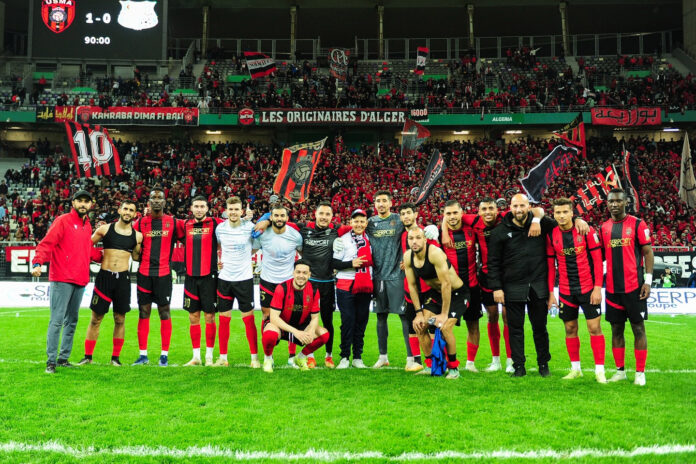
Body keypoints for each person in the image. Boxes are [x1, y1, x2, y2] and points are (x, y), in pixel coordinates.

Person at [488, 194, 562, 378]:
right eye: (515, 206)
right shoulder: (499, 232)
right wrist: (497, 287)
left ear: (529, 206)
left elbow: (562, 223)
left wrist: (579, 222)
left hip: (538, 286)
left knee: (540, 328)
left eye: (522, 205)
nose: (519, 209)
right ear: (510, 208)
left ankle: (543, 364)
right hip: (512, 288)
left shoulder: (541, 224)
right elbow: (493, 263)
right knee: (515, 329)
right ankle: (518, 366)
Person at [32, 190, 101, 373]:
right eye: (80, 201)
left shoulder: (87, 226)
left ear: (91, 205)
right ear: (73, 203)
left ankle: (63, 358)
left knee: (72, 321)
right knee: (56, 320)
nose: (83, 204)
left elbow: (87, 250)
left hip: (80, 279)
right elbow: (47, 243)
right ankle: (51, 362)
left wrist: (105, 256)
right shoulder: (63, 221)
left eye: (87, 201)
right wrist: (38, 262)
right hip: (62, 278)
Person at [546, 198, 606, 383]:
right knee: (570, 328)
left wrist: (597, 288)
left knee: (594, 328)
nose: (562, 215)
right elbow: (550, 266)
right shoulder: (551, 235)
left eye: (565, 212)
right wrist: (551, 293)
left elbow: (597, 261)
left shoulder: (585, 230)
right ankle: (576, 369)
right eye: (558, 212)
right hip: (565, 290)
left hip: (588, 289)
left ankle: (599, 371)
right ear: (554, 214)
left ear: (572, 213)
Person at [78, 200, 143, 366]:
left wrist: (138, 249)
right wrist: (96, 256)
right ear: (120, 210)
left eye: (131, 210)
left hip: (123, 280)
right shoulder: (105, 229)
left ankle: (115, 358)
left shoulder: (137, 236)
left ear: (135, 214)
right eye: (125, 209)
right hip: (104, 277)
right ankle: (88, 357)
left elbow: (136, 257)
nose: (128, 212)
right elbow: (86, 246)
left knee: (120, 319)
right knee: (95, 319)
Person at [600, 188, 654, 386]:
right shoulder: (604, 227)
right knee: (616, 330)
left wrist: (647, 281)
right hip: (613, 289)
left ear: (625, 203)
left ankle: (640, 373)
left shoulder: (638, 224)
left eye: (618, 201)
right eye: (611, 201)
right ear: (607, 203)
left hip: (634, 287)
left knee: (638, 329)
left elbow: (648, 253)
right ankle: (620, 371)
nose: (614, 204)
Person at [404, 228, 468, 379]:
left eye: (418, 237)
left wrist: (444, 314)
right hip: (435, 294)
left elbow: (446, 284)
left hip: (457, 293)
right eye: (411, 238)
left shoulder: (435, 253)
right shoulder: (408, 257)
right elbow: (412, 286)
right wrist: (419, 314)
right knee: (420, 325)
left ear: (425, 239)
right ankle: (429, 364)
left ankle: (453, 368)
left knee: (445, 327)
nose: (414, 241)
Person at [132, 187, 180, 367]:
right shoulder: (140, 223)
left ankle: (164, 356)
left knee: (164, 312)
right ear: (149, 202)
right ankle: (143, 355)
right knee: (143, 312)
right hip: (144, 274)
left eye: (160, 198)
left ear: (165, 202)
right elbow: (131, 241)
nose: (157, 200)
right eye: (154, 198)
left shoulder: (173, 223)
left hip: (164, 275)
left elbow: (190, 233)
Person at [254, 204, 303, 366]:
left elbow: (304, 255)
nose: (279, 219)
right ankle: (268, 357)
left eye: (282, 216)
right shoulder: (263, 235)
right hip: (268, 282)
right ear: (271, 217)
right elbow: (250, 250)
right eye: (276, 216)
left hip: (289, 284)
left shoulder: (295, 236)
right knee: (267, 317)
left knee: (293, 319)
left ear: (287, 218)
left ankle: (291, 358)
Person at [260, 260, 330, 373]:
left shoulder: (313, 291)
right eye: (298, 272)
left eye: (304, 273)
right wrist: (295, 332)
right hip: (281, 327)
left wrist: (311, 331)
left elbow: (315, 317)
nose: (301, 276)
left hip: (301, 327)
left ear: (309, 275)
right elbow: (274, 318)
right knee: (269, 334)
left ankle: (301, 358)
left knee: (324, 334)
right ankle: (268, 359)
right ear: (293, 273)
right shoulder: (282, 288)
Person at [180, 196, 225, 366]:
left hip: (209, 276)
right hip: (190, 276)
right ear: (191, 208)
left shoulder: (216, 223)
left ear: (207, 208)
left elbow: (236, 225)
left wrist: (250, 217)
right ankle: (196, 357)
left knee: (209, 316)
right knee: (193, 316)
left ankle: (209, 357)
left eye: (202, 206)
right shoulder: (185, 225)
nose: (199, 209)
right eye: (196, 206)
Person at [215, 196, 259, 367]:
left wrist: (244, 257)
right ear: (226, 211)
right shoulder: (220, 229)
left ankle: (254, 358)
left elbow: (255, 246)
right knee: (224, 319)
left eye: (236, 209)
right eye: (230, 209)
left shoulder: (250, 227)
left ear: (242, 211)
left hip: (244, 279)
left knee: (248, 319)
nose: (233, 212)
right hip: (225, 279)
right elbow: (219, 247)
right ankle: (223, 358)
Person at [441, 200, 484, 373]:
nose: (452, 217)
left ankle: (470, 363)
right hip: (451, 290)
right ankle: (447, 361)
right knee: (445, 326)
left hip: (472, 286)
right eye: (448, 214)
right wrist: (443, 229)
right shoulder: (438, 234)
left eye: (455, 213)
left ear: (461, 213)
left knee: (473, 326)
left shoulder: (471, 230)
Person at [333, 209, 373, 369]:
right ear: (351, 223)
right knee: (348, 321)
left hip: (365, 286)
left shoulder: (370, 238)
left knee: (361, 322)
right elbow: (334, 263)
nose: (359, 224)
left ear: (366, 223)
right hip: (346, 285)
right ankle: (344, 357)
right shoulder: (342, 239)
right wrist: (351, 263)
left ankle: (357, 356)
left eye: (362, 221)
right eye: (356, 221)